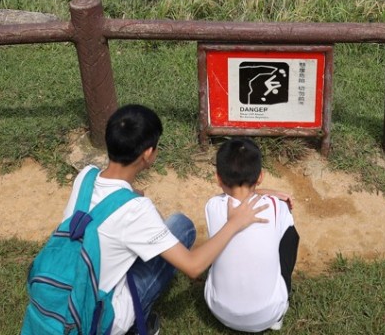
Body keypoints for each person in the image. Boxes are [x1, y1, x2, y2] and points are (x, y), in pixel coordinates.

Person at [63, 104, 268, 335]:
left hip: (64, 292)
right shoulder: (136, 210)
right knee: (183, 229)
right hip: (96, 316)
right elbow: (193, 266)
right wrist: (234, 223)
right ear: (148, 154)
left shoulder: (85, 176)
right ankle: (133, 327)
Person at [204, 137, 300, 333]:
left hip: (219, 311)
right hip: (267, 314)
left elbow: (231, 197)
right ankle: (279, 312)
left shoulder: (212, 206)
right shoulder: (276, 206)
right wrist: (269, 193)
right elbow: (287, 233)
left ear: (218, 178)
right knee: (290, 235)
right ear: (261, 176)